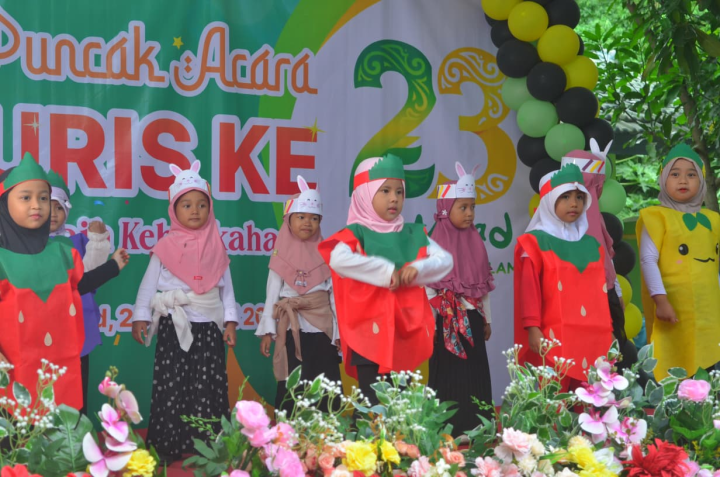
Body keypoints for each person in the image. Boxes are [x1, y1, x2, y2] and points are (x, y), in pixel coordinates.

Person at [318, 154, 453, 404]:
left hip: (403, 329)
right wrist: (383, 271)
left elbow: (444, 260)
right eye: (385, 191)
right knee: (372, 402)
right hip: (367, 330)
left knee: (400, 402)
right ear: (364, 194)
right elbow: (338, 260)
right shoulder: (355, 233)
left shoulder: (412, 233)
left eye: (399, 192)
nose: (394, 198)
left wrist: (419, 269)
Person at [0, 153, 126, 410]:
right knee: (18, 425)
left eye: (43, 198)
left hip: (58, 365)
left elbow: (77, 287)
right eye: (25, 197)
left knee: (61, 423)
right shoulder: (2, 258)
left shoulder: (63, 251)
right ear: (5, 203)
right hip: (13, 365)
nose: (36, 206)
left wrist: (112, 267)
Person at [131, 161, 237, 463]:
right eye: (187, 205)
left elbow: (227, 290)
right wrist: (140, 316)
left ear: (210, 208)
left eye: (202, 205)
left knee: (207, 387)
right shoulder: (165, 246)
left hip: (208, 327)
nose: (195, 211)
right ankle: (167, 445)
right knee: (171, 386)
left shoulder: (216, 247)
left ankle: (208, 447)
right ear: (174, 209)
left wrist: (230, 322)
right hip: (173, 325)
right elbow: (148, 286)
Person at [514, 163, 613, 387]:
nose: (574, 203)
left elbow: (599, 293)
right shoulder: (534, 242)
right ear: (549, 201)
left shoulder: (592, 244)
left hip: (592, 335)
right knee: (553, 395)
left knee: (590, 395)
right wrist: (532, 328)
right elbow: (529, 290)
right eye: (565, 196)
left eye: (579, 197)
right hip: (551, 335)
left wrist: (610, 329)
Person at [256, 175, 341, 415]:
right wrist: (268, 331)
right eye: (301, 217)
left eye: (314, 218)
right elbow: (272, 294)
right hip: (292, 329)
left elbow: (334, 296)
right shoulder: (280, 256)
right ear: (288, 220)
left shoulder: (327, 254)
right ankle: (291, 431)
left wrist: (338, 333)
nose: (307, 223)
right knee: (293, 381)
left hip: (323, 330)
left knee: (325, 382)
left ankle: (326, 431)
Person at [637, 144, 720, 379]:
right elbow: (648, 260)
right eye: (675, 174)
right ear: (664, 178)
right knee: (675, 364)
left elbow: (715, 265)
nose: (683, 180)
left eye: (691, 174)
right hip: (673, 308)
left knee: (709, 363)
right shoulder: (657, 217)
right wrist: (661, 300)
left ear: (701, 181)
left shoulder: (713, 219)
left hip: (709, 310)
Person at [426, 162, 495, 434]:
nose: (469, 214)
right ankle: (448, 428)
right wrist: (432, 323)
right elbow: (428, 288)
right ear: (445, 209)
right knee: (449, 372)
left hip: (473, 320)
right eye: (463, 207)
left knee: (475, 370)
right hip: (445, 322)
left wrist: (487, 319)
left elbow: (482, 285)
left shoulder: (476, 242)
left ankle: (478, 426)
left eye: (472, 207)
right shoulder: (434, 245)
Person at [47, 170, 123, 414]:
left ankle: (76, 435)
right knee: (43, 392)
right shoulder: (25, 248)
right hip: (42, 332)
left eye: (59, 207)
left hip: (75, 331)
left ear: (66, 211)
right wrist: (113, 267)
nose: (53, 214)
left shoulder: (76, 243)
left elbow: (87, 277)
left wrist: (98, 241)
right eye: (47, 206)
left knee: (75, 392)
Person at [561, 141, 636, 369]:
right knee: (583, 357)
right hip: (576, 296)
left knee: (610, 354)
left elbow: (605, 257)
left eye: (584, 192)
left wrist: (616, 290)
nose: (576, 201)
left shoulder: (594, 216)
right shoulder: (556, 221)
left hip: (605, 291)